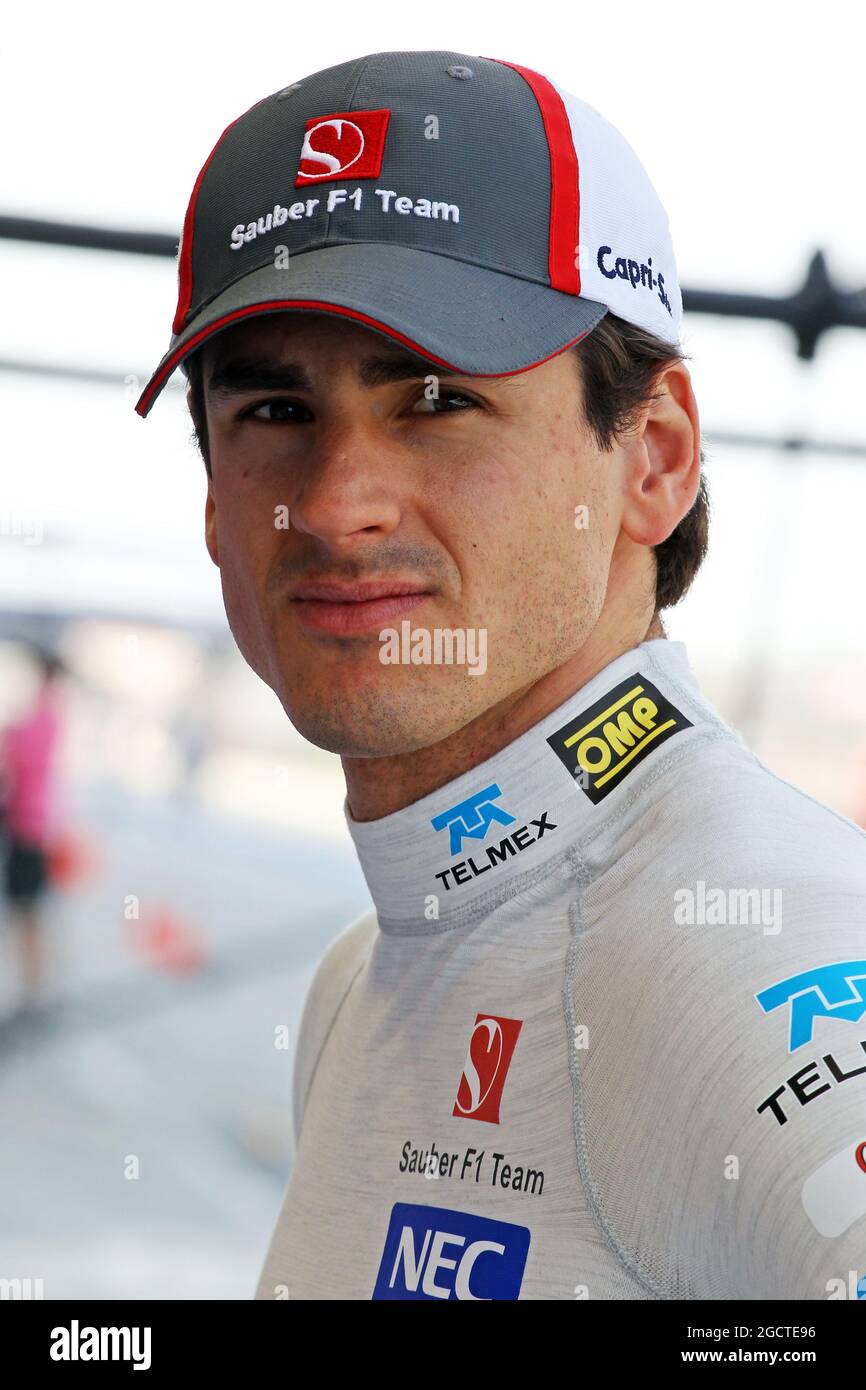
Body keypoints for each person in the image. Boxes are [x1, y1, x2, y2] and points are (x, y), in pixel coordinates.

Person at [135, 51, 866, 1300]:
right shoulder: (366, 974)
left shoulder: (762, 958)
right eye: (271, 410)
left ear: (653, 461)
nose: (333, 503)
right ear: (210, 494)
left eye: (433, 397)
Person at [0, 646, 65, 1023]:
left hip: (29, 828)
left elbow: (20, 754)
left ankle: (35, 990)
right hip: (31, 826)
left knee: (27, 912)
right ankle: (34, 987)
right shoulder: (48, 710)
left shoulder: (45, 711)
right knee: (28, 911)